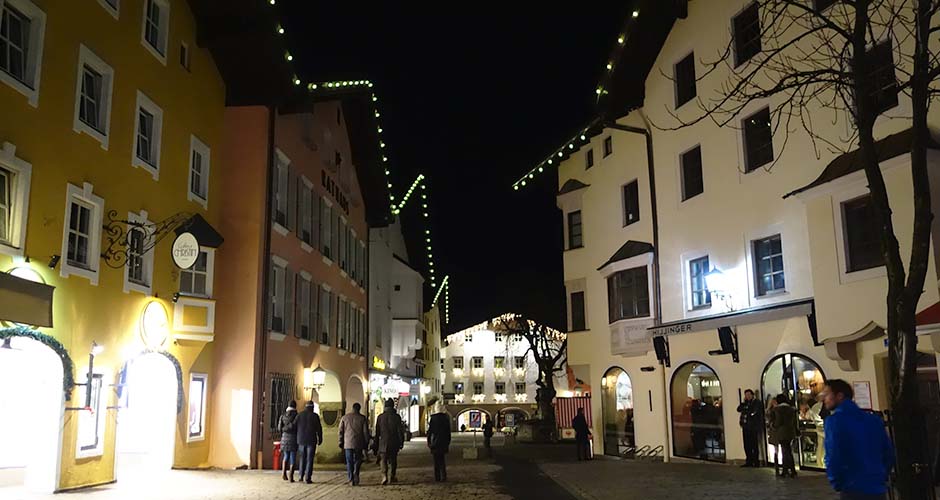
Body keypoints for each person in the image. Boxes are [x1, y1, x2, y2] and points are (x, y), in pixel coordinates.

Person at [821, 379, 894, 499]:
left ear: (839, 396)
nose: (824, 399)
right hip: (876, 485)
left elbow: (833, 455)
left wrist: (836, 481)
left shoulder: (834, 421)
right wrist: (881, 475)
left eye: (827, 394)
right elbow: (888, 451)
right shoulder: (873, 420)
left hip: (852, 486)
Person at [374, 398, 406, 485]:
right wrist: (401, 442)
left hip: (383, 442)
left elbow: (377, 432)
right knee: (393, 460)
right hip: (393, 442)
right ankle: (392, 475)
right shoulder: (396, 417)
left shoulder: (380, 417)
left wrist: (376, 443)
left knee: (383, 460)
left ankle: (384, 475)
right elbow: (400, 431)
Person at [338, 402, 370, 486]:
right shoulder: (362, 418)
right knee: (358, 460)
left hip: (348, 443)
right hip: (359, 443)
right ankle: (356, 473)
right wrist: (366, 442)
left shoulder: (345, 418)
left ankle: (351, 478)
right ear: (359, 409)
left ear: (352, 408)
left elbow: (340, 431)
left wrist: (340, 441)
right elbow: (365, 432)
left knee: (349, 461)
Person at [770, 393, 799, 478]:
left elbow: (778, 421)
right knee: (788, 450)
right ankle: (792, 470)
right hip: (790, 431)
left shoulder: (778, 409)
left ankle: (785, 470)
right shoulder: (791, 409)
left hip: (782, 432)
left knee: (784, 451)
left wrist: (773, 425)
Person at [295, 401, 323, 484]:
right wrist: (320, 439)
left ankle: (301, 476)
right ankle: (308, 477)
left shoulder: (299, 415)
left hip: (301, 440)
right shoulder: (315, 416)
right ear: (312, 407)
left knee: (302, 458)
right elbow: (319, 429)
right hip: (311, 440)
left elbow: (294, 425)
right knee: (310, 459)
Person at [737, 389, 763, 467]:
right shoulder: (745, 403)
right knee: (747, 445)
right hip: (745, 426)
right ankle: (749, 461)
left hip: (753, 427)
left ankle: (756, 461)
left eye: (749, 395)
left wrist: (746, 409)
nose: (747, 396)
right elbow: (739, 409)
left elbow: (753, 412)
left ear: (752, 395)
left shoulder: (756, 402)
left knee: (754, 444)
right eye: (746, 395)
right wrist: (744, 403)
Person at [427, 401, 452, 482]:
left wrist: (429, 442)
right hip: (443, 442)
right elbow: (448, 432)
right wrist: (448, 442)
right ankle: (443, 476)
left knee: (436, 461)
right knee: (442, 460)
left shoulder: (433, 418)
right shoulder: (446, 418)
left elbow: (430, 431)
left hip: (435, 441)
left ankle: (437, 477)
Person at [277, 401, 299, 482]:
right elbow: (297, 427)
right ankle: (291, 476)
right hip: (293, 439)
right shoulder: (296, 416)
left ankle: (283, 474)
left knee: (286, 456)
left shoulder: (282, 416)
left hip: (284, 439)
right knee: (293, 457)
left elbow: (279, 428)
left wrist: (283, 432)